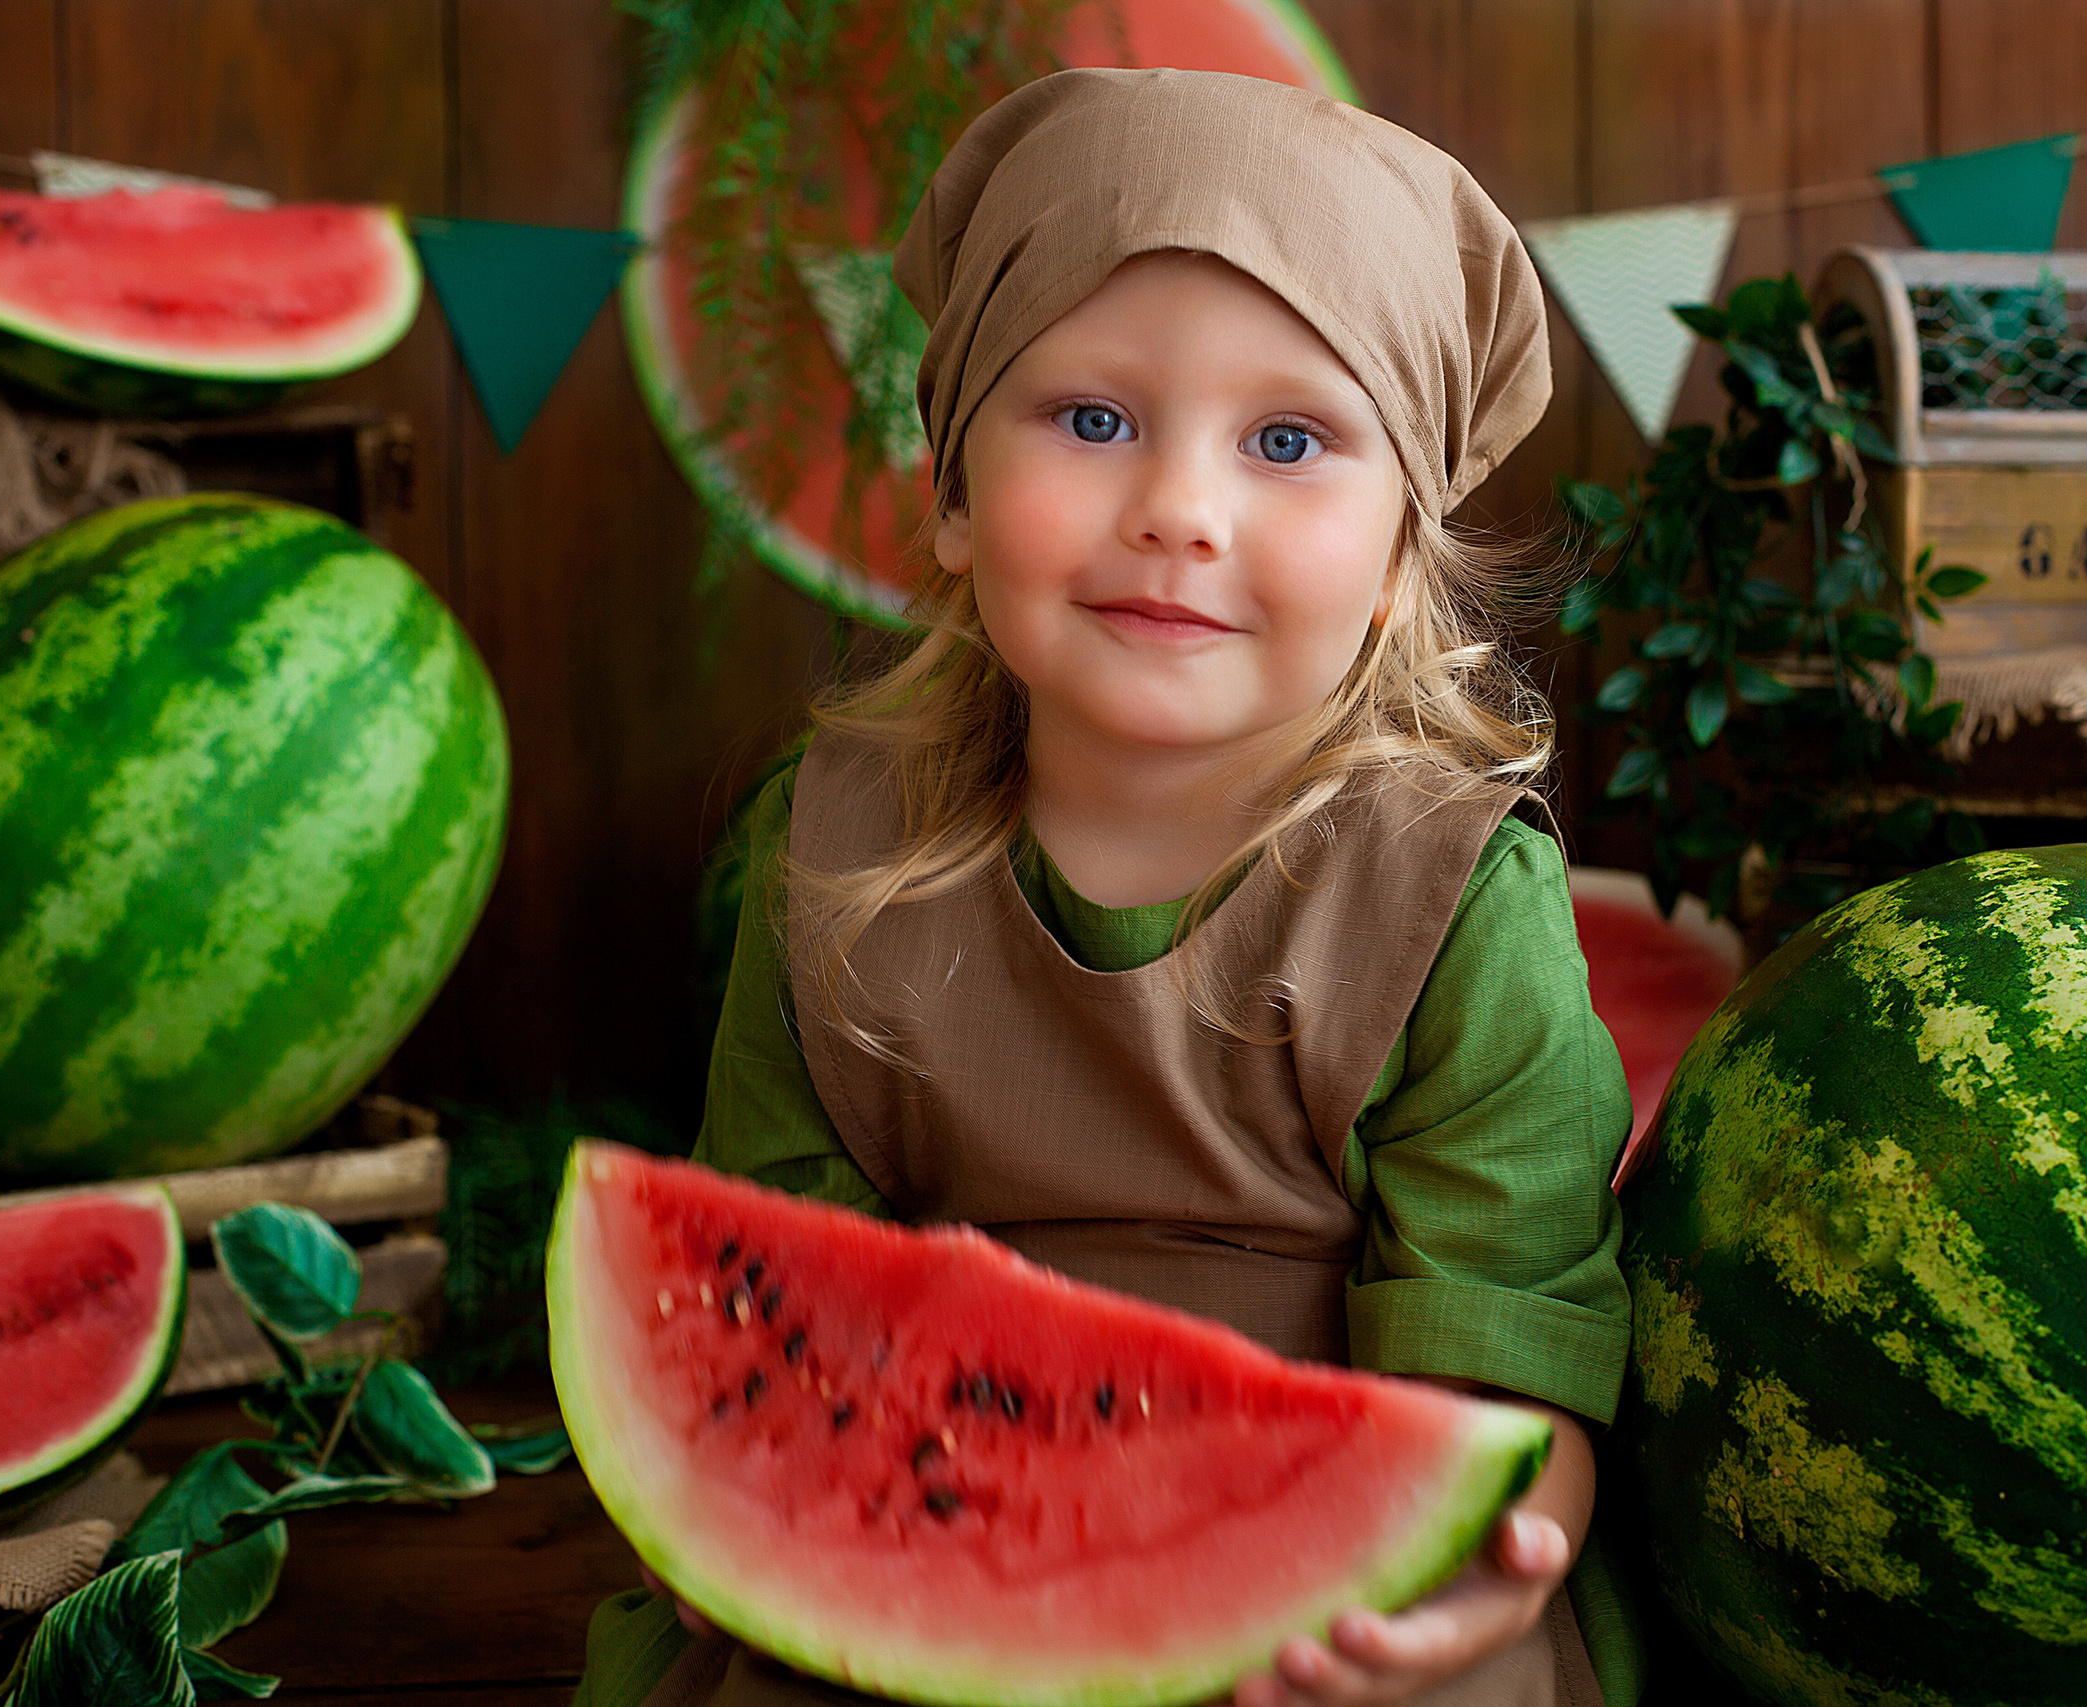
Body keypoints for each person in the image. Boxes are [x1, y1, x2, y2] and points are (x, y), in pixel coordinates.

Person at [573, 65, 1636, 1707]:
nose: (1180, 514)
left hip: (1330, 1587)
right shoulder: (838, 847)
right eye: (1092, 418)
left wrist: (1489, 1570)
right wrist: (735, 1506)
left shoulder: (1452, 901)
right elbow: (768, 1272)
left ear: (1395, 565)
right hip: (917, 1528)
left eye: (1289, 440)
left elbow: (1511, 1329)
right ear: (947, 489)